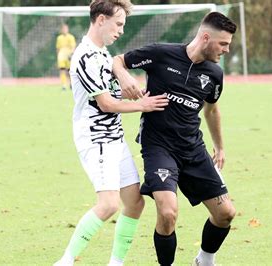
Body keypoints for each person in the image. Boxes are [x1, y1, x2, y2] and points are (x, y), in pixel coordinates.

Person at [113, 12, 237, 266]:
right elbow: (117, 60)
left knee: (226, 213)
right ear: (205, 37)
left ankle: (204, 260)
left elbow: (211, 109)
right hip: (158, 148)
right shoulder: (161, 54)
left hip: (193, 149)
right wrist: (124, 76)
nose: (226, 50)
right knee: (168, 213)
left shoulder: (214, 74)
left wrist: (220, 147)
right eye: (223, 44)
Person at [54, 1, 168, 265]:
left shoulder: (104, 54)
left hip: (114, 139)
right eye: (118, 24)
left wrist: (133, 87)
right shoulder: (84, 55)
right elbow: (105, 103)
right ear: (101, 20)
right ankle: (65, 261)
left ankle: (115, 263)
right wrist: (142, 105)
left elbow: (117, 82)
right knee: (108, 205)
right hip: (96, 139)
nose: (121, 31)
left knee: (135, 202)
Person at [56, 24, 76, 90]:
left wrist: (71, 54)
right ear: (62, 30)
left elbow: (73, 47)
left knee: (70, 71)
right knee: (62, 70)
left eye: (66, 29)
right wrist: (58, 56)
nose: (64, 30)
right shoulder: (59, 38)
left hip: (68, 56)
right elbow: (58, 48)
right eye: (63, 29)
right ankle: (64, 85)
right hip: (61, 56)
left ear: (68, 29)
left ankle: (71, 84)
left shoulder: (71, 37)